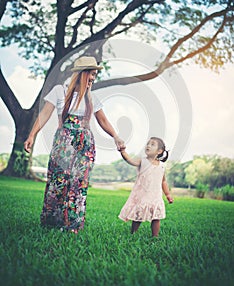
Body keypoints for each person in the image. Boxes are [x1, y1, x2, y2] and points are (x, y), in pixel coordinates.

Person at [24, 56, 125, 233]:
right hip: (63, 144)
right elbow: (45, 114)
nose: (93, 78)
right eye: (91, 74)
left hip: (85, 145)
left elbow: (103, 121)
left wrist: (116, 137)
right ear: (81, 73)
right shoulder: (59, 91)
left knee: (79, 183)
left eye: (95, 74)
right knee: (59, 181)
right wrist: (32, 135)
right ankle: (52, 222)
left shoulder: (91, 97)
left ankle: (72, 225)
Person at [118, 137, 173, 237]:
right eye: (148, 144)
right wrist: (123, 152)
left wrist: (168, 194)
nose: (148, 146)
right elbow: (130, 160)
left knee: (156, 217)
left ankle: (155, 236)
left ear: (159, 151)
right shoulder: (142, 161)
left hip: (155, 196)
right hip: (142, 195)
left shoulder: (162, 166)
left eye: (152, 144)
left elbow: (163, 181)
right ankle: (133, 233)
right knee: (138, 216)